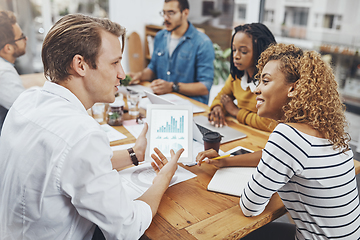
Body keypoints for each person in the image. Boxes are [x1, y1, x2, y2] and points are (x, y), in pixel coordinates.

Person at [0, 14, 184, 239]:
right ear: (80, 65)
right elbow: (128, 228)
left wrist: (134, 154)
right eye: (115, 62)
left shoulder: (26, 101)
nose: (122, 74)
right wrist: (164, 177)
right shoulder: (82, 134)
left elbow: (68, 164)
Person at [197, 43, 360, 239]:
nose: (256, 89)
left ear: (293, 89)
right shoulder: (329, 132)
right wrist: (223, 160)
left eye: (265, 81)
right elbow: (273, 157)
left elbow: (250, 207)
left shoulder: (287, 136)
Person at [129, 0, 214, 104]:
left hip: (191, 107)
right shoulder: (160, 36)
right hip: (162, 101)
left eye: (171, 13)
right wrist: (139, 75)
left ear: (185, 13)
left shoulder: (202, 43)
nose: (165, 17)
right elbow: (153, 68)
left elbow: (205, 87)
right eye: (164, 12)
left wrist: (172, 86)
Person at [208, 23, 276, 131]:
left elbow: (269, 123)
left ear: (262, 52)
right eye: (234, 50)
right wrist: (218, 108)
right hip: (244, 131)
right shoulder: (237, 77)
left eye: (243, 51)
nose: (236, 56)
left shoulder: (271, 82)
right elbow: (221, 98)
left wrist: (236, 112)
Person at [0, 10, 27, 135]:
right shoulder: (4, 73)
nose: (26, 38)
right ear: (8, 48)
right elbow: (26, 110)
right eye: (21, 37)